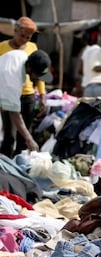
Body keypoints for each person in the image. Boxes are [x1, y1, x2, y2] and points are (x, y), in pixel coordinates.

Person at [0, 17, 47, 157]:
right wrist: (30, 139)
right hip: (8, 91)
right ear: (15, 31)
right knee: (10, 135)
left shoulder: (24, 54)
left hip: (24, 94)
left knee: (22, 135)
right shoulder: (12, 73)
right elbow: (13, 112)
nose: (25, 39)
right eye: (22, 35)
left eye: (29, 37)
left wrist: (42, 95)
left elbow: (41, 75)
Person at [0, 49, 52, 154]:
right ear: (29, 69)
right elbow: (14, 113)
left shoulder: (23, 56)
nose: (38, 79)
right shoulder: (13, 80)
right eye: (38, 76)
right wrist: (29, 139)